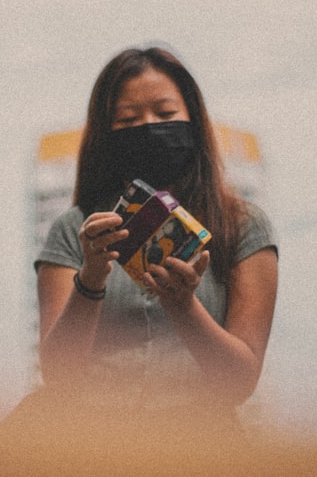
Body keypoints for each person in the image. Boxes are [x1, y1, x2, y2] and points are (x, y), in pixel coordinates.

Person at [25, 45, 278, 435]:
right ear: (105, 134)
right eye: (127, 118)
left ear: (194, 121)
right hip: (89, 447)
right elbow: (59, 374)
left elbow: (240, 382)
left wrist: (183, 306)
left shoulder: (243, 226)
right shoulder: (73, 229)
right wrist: (91, 276)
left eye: (165, 113)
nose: (148, 126)